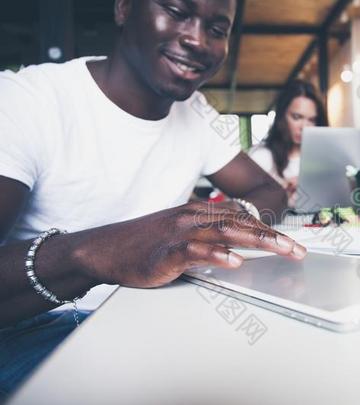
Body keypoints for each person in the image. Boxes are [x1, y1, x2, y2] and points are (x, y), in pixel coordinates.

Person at [0, 0, 306, 397]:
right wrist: (97, 252)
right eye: (177, 12)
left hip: (160, 312)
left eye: (217, 29)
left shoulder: (196, 113)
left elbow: (269, 191)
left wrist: (230, 218)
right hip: (42, 324)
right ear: (124, 9)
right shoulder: (27, 100)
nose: (197, 40)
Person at [249, 80, 328, 206]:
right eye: (297, 117)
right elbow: (247, 203)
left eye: (312, 120)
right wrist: (281, 191)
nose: (304, 127)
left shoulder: (325, 158)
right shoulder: (261, 157)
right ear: (282, 116)